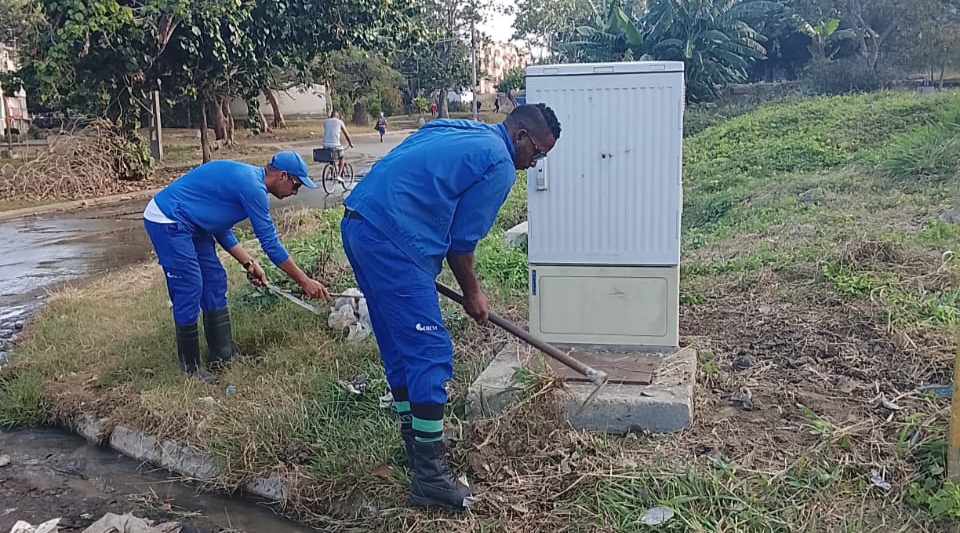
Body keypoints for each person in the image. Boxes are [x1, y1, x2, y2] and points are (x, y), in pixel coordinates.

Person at [340, 104, 561, 511]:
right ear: (522, 136)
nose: (535, 163)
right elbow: (462, 244)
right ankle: (429, 477)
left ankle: (415, 448)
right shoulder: (500, 164)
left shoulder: (460, 127)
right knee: (429, 351)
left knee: (400, 345)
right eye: (539, 153)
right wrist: (474, 294)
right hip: (393, 237)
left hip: (359, 222)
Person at [143, 151, 331, 383]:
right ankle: (190, 368)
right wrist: (304, 281)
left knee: (214, 280)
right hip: (169, 218)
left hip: (194, 223)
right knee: (190, 286)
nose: (295, 192)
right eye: (296, 185)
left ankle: (222, 355)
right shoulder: (252, 187)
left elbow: (220, 227)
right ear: (283, 176)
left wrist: (249, 263)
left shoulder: (249, 182)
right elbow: (270, 243)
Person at [322, 110, 354, 177]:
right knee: (342, 157)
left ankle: (332, 170)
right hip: (335, 144)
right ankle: (339, 175)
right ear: (337, 116)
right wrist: (350, 143)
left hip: (325, 144)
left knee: (331, 156)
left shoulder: (326, 122)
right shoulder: (340, 122)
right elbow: (346, 135)